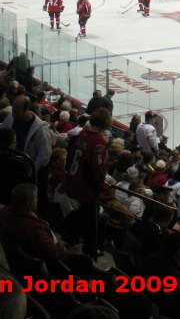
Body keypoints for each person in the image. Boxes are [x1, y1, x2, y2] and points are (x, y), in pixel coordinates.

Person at [65, 107, 112, 258]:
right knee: (91, 218)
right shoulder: (98, 141)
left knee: (84, 212)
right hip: (87, 186)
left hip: (75, 179)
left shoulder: (81, 134)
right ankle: (90, 249)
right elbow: (97, 167)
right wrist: (101, 185)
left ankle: (70, 235)